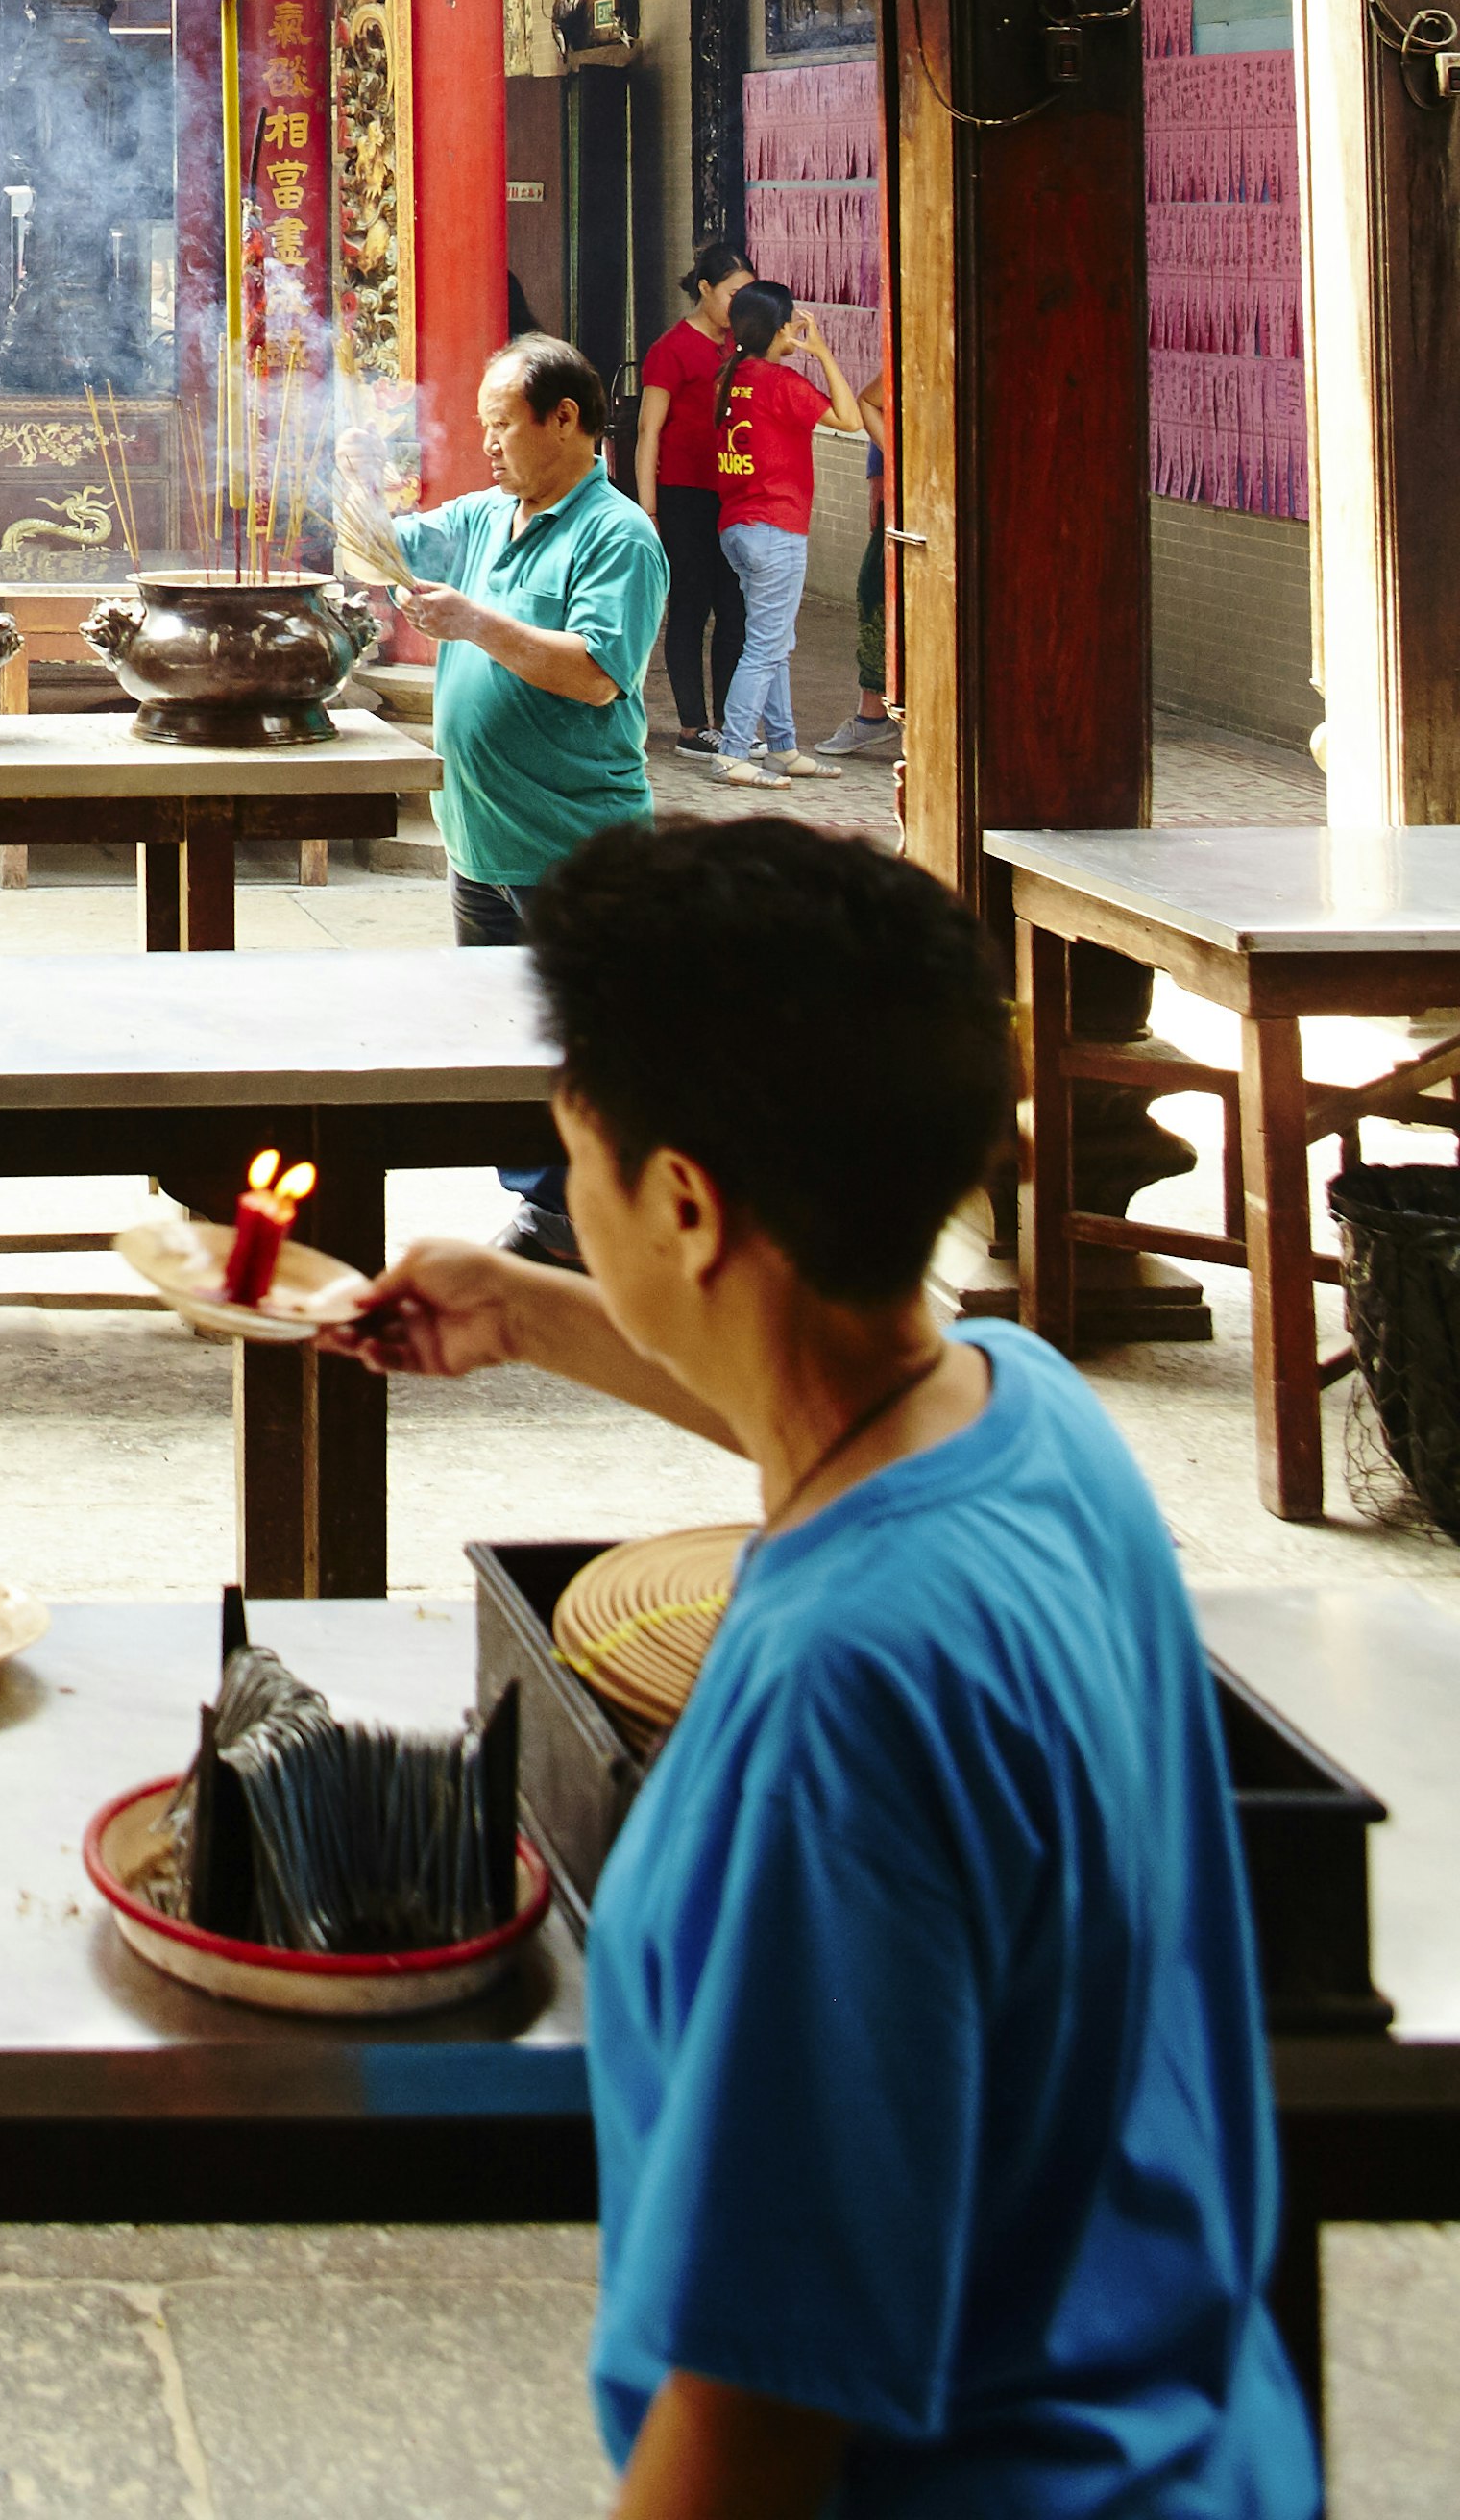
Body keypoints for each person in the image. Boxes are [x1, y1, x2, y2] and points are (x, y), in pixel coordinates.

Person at [334, 820, 1315, 2520]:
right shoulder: (1030, 1412)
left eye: (578, 1157)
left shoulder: (836, 1701)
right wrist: (536, 1312)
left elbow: (760, 2425)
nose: (570, 1198)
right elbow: (819, 1405)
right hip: (1203, 2440)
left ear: (687, 1203)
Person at [360, 334, 667, 1268]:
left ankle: (604, 1229)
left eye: (503, 426)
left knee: (586, 1048)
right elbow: (379, 553)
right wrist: (347, 488)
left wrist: (473, 623)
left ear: (564, 419)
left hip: (575, 842)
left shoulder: (618, 535)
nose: (487, 445)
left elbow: (595, 675)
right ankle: (545, 1213)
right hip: (482, 840)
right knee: (501, 1041)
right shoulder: (488, 517)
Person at [706, 281, 864, 788]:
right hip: (776, 530)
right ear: (780, 330)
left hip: (738, 528)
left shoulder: (729, 377)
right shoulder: (780, 383)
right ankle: (732, 752)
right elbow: (851, 417)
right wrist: (820, 352)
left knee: (775, 641)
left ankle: (782, 746)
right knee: (766, 647)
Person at [632, 241, 752, 751]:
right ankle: (690, 725)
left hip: (733, 493)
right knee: (689, 606)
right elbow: (647, 432)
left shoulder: (742, 348)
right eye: (732, 294)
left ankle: (727, 722)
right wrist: (647, 509)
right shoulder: (672, 349)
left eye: (748, 296)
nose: (739, 306)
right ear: (704, 289)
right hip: (683, 496)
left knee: (735, 608)